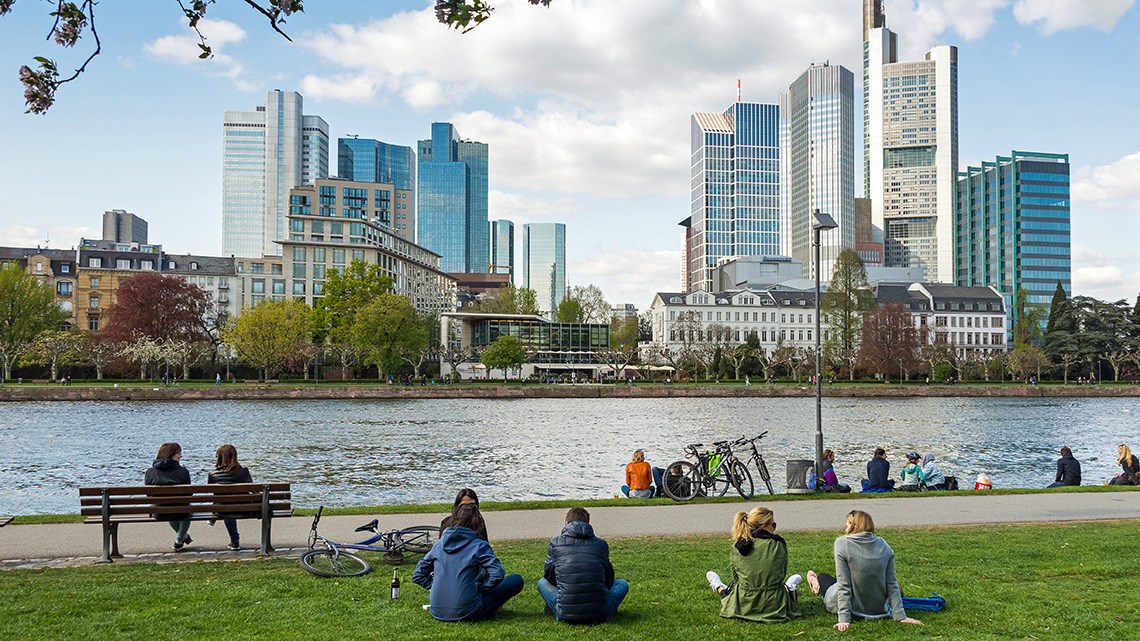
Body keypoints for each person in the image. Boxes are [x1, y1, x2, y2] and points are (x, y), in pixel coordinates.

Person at [806, 510, 922, 632]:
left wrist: (844, 619)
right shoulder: (884, 545)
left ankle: (815, 583)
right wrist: (900, 616)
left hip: (851, 607)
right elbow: (891, 583)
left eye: (847, 526)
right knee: (893, 585)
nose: (845, 530)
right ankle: (816, 583)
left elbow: (844, 585)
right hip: (878, 609)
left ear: (854, 526)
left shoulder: (842, 543)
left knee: (824, 577)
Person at [412, 503, 524, 622]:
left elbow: (418, 575)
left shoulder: (439, 545)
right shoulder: (478, 545)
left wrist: (434, 586)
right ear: (478, 522)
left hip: (437, 610)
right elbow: (497, 573)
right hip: (467, 610)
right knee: (516, 580)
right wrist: (481, 588)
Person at [705, 506, 801, 623]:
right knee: (781, 586)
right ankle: (789, 587)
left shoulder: (738, 546)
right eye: (773, 525)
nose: (774, 529)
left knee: (728, 594)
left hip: (744, 603)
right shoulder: (778, 544)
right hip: (774, 605)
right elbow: (781, 572)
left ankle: (718, 586)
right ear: (764, 525)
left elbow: (736, 578)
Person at [537, 507, 628, 624]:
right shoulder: (601, 544)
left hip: (566, 613)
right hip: (601, 612)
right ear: (587, 523)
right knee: (622, 584)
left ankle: (556, 606)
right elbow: (609, 577)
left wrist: (565, 584)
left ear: (566, 522)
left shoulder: (555, 543)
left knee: (542, 583)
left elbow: (549, 574)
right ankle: (605, 605)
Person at [144, 442, 193, 551]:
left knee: (169, 506)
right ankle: (180, 539)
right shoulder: (183, 472)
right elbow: (189, 494)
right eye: (179, 453)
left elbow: (148, 494)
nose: (181, 456)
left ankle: (182, 537)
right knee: (187, 506)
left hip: (159, 512)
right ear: (171, 454)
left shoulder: (150, 472)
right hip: (182, 511)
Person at [207, 444, 253, 550]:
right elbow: (252, 488)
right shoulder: (244, 472)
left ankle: (234, 540)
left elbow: (212, 493)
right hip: (244, 508)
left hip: (222, 509)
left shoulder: (213, 474)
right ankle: (235, 540)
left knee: (225, 505)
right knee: (229, 505)